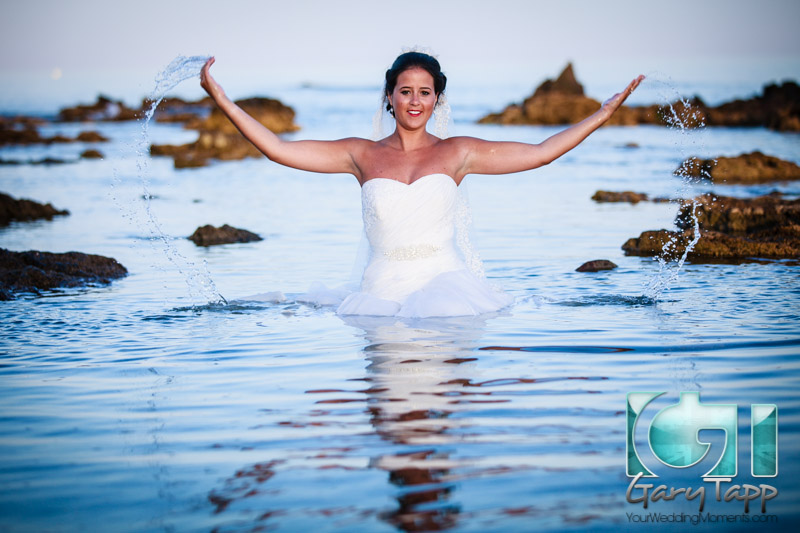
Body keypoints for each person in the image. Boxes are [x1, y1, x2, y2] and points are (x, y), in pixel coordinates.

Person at [200, 52, 643, 318]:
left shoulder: (459, 152)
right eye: (406, 91)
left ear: (436, 100)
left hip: (447, 292)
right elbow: (278, 148)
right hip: (377, 294)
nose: (415, 100)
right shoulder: (361, 154)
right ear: (389, 97)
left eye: (425, 92)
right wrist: (222, 101)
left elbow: (543, 151)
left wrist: (602, 114)